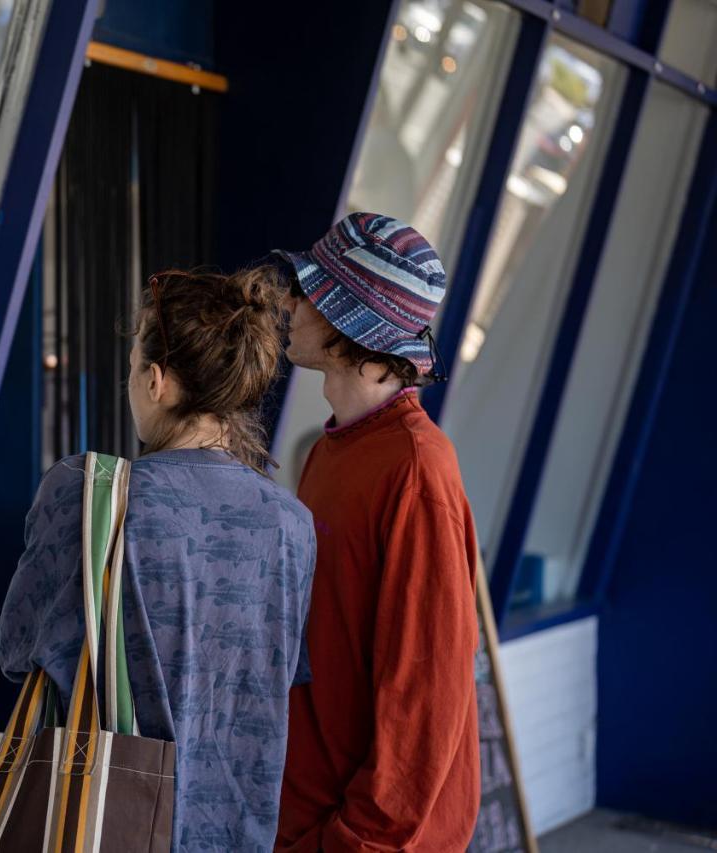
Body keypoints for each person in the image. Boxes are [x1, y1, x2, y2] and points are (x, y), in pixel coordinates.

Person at [0, 267, 316, 851]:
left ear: (158, 382)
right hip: (237, 831)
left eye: (132, 369)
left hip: (100, 821)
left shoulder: (85, 496)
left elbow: (18, 649)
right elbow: (272, 676)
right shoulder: (291, 525)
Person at [271, 212, 480, 851]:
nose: (289, 301)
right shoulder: (331, 450)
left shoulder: (416, 468)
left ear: (346, 319)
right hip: (306, 816)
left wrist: (358, 837)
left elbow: (427, 690)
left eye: (308, 290)